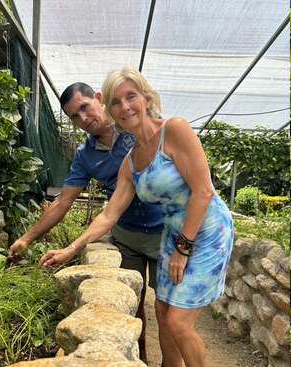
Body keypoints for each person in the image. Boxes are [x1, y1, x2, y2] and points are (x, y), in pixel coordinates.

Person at [42, 67, 234, 367]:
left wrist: (183, 249)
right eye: (116, 102)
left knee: (179, 323)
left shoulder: (174, 129)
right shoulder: (131, 162)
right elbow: (109, 215)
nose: (124, 107)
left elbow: (204, 192)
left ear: (146, 97)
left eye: (130, 96)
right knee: (162, 313)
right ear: (109, 107)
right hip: (173, 234)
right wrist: (71, 248)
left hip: (207, 231)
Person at [8, 82, 163, 363]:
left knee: (167, 311)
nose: (82, 119)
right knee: (132, 305)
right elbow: (62, 202)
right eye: (73, 116)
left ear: (100, 99)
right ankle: (140, 358)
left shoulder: (133, 127)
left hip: (164, 232)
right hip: (126, 235)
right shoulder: (85, 155)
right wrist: (26, 238)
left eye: (84, 107)